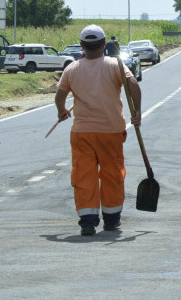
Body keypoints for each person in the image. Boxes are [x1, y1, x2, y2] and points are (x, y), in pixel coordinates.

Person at [55, 24, 142, 236]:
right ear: (104, 45)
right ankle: (111, 220)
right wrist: (137, 112)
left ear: (82, 46)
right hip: (111, 131)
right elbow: (133, 84)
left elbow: (60, 94)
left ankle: (87, 221)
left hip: (82, 132)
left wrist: (62, 111)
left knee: (84, 175)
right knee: (112, 174)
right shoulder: (116, 64)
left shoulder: (72, 69)